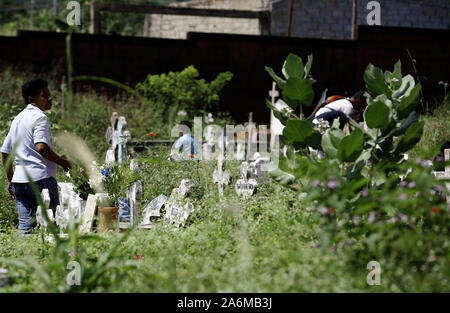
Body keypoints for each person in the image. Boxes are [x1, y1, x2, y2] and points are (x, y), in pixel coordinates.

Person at [1, 78, 71, 234]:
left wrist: (11, 179)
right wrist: (63, 162)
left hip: (20, 181)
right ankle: (52, 258)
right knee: (52, 228)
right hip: (41, 179)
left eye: (49, 95)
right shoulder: (40, 117)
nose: (49, 99)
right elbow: (40, 147)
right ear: (31, 99)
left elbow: (5, 151)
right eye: (44, 96)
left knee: (26, 230)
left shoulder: (17, 119)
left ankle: (25, 258)